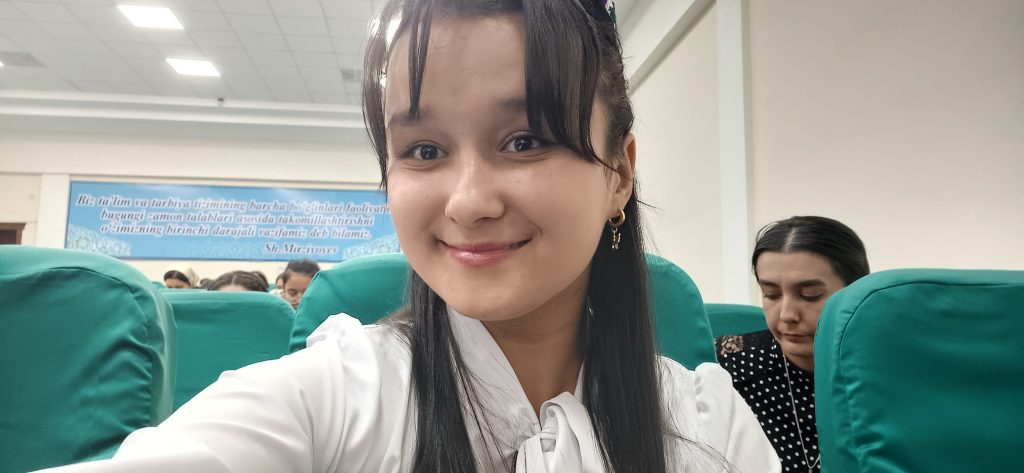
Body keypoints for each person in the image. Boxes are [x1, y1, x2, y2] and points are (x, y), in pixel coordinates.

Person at [38, 1, 779, 472]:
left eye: (523, 139)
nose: (468, 200)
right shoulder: (335, 397)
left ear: (620, 171)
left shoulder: (708, 424)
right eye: (423, 150)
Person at [715, 216, 869, 473]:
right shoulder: (727, 368)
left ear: (856, 291)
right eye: (771, 294)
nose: (787, 314)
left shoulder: (889, 372)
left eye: (810, 295)